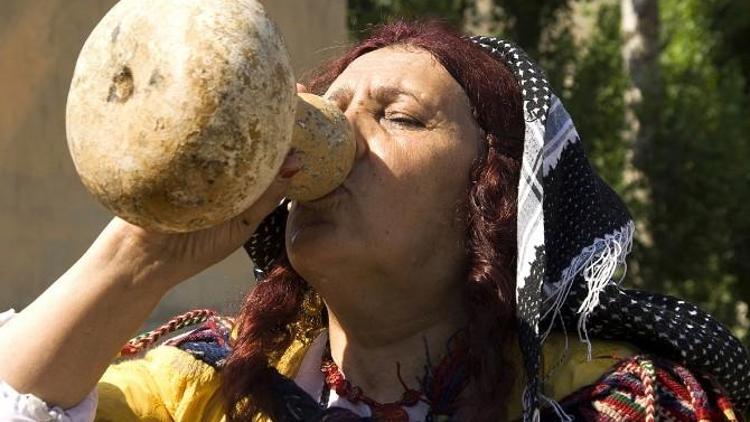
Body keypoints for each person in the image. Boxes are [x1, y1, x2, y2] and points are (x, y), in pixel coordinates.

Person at [0, 20, 747, 422]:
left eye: (399, 116)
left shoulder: (612, 403)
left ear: (491, 195)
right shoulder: (207, 388)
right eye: (328, 111)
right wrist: (143, 252)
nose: (338, 136)